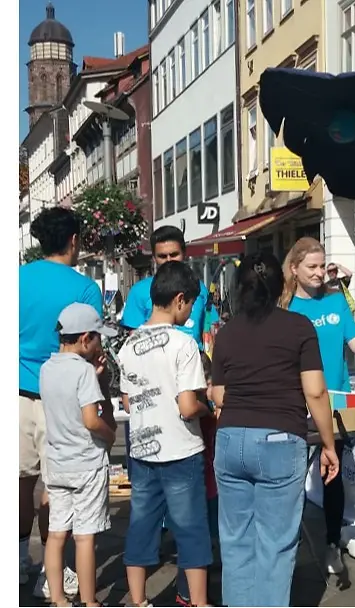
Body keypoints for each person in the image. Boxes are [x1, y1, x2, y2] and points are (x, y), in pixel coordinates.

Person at [211, 252, 339, 607]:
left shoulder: (226, 333)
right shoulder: (299, 327)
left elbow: (219, 394)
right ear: (282, 285)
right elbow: (314, 390)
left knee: (236, 541)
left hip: (231, 438)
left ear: (240, 289)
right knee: (276, 543)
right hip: (281, 440)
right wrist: (328, 444)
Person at [279, 237, 355, 575]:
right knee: (291, 474)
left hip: (339, 400)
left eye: (321, 265)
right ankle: (289, 541)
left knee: (334, 476)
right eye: (310, 267)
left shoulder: (337, 302)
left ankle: (331, 543)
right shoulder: (285, 309)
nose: (317, 273)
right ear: (294, 269)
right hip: (296, 403)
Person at [119, 226, 211, 606]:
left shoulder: (128, 343)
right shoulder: (183, 344)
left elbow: (127, 401)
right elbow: (188, 406)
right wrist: (210, 405)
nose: (190, 312)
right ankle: (196, 601)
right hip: (180, 450)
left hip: (141, 450)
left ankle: (138, 600)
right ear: (178, 300)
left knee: (141, 527)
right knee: (191, 530)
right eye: (189, 305)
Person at [20, 206, 102, 597]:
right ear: (74, 241)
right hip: (63, 397)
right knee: (56, 488)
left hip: (16, 391)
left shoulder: (16, 279)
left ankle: (21, 557)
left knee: (20, 482)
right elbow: (91, 350)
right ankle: (55, 575)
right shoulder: (85, 288)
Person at [39, 303, 118, 607]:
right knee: (85, 537)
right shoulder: (84, 371)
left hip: (57, 464)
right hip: (86, 463)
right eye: (98, 337)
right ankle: (89, 601)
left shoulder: (47, 369)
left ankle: (58, 598)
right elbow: (90, 419)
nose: (101, 344)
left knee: (57, 533)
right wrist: (110, 436)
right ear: (86, 339)